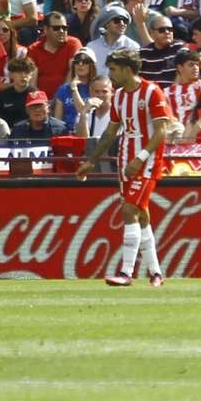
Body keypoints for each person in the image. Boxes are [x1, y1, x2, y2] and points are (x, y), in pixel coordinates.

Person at [79, 49, 176, 287]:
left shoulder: (152, 92)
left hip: (147, 161)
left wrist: (141, 157)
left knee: (128, 209)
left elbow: (162, 130)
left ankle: (126, 272)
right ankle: (155, 273)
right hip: (125, 158)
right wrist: (92, 159)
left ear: (127, 69)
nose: (110, 74)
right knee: (140, 214)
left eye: (113, 69)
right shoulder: (120, 96)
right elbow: (111, 132)